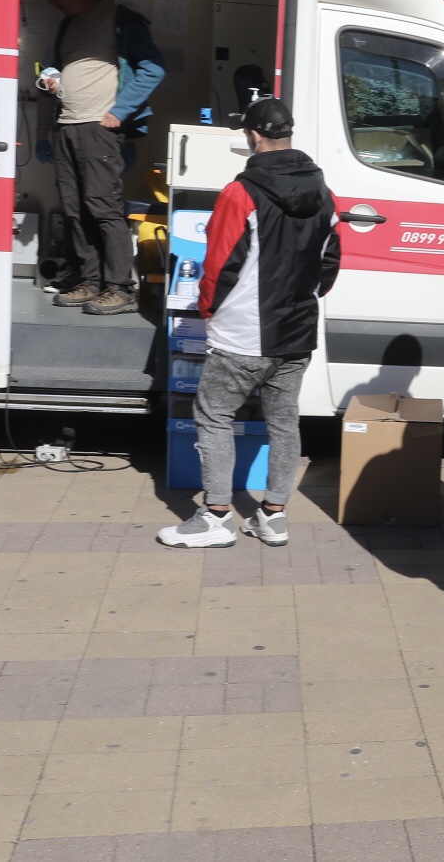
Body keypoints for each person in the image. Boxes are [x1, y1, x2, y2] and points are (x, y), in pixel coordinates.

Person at [158, 98, 341, 550]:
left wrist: (206, 310)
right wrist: (306, 300)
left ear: (254, 137)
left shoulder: (239, 193)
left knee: (214, 413)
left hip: (243, 332)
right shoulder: (324, 192)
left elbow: (218, 266)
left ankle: (215, 515)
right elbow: (331, 260)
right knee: (283, 421)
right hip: (297, 330)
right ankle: (273, 516)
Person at [36, 0, 168, 316]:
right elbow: (55, 65)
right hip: (67, 127)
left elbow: (153, 70)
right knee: (75, 211)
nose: (53, 1)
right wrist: (51, 76)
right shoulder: (68, 25)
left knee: (102, 209)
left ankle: (120, 288)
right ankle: (90, 281)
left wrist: (120, 112)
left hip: (99, 129)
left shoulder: (121, 21)